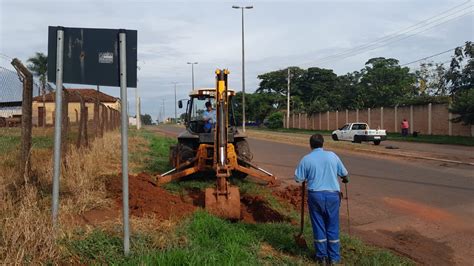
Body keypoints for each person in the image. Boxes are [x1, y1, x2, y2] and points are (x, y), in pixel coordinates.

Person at [294, 134, 349, 264]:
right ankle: (334, 258)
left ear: (310, 144)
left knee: (318, 225)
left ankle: (321, 257)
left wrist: (307, 176)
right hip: (332, 196)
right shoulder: (332, 156)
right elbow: (345, 174)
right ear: (323, 143)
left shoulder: (306, 159)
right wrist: (345, 178)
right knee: (332, 225)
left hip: (316, 196)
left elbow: (298, 178)